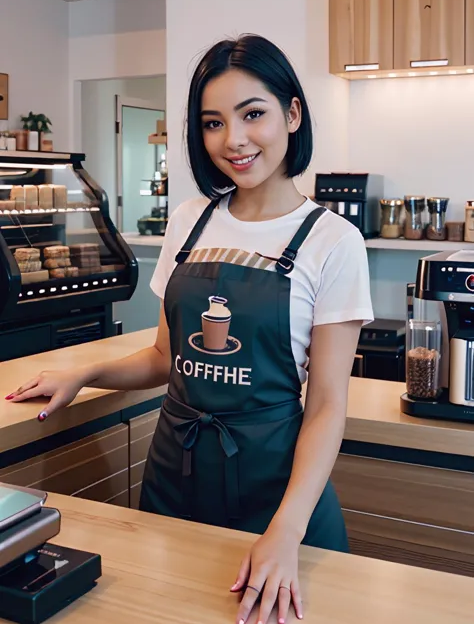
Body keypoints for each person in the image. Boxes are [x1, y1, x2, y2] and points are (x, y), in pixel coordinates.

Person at [7, 34, 373, 624]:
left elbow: (328, 404)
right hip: (176, 472)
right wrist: (86, 374)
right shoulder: (190, 221)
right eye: (212, 122)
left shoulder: (333, 240)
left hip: (276, 486)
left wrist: (286, 532)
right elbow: (164, 358)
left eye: (253, 113)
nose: (234, 140)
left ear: (293, 113)